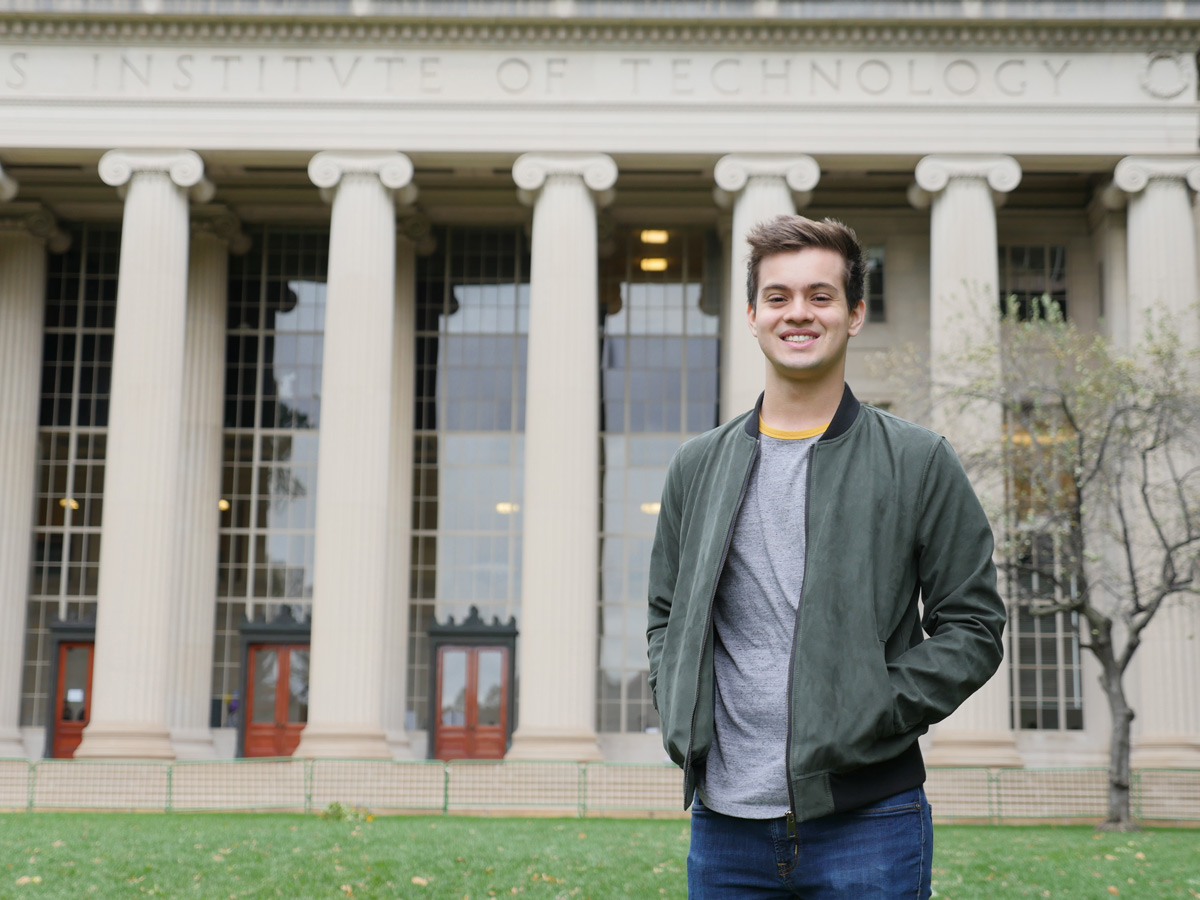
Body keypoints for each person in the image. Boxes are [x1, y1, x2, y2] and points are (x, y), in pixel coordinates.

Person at [646, 214, 1006, 899]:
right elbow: (666, 615)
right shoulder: (697, 466)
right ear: (751, 315)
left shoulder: (918, 460)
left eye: (820, 295)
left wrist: (877, 706)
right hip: (724, 828)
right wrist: (678, 708)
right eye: (778, 297)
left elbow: (974, 626)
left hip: (870, 819)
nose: (798, 313)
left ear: (855, 313)